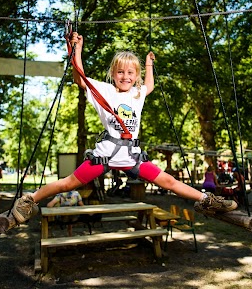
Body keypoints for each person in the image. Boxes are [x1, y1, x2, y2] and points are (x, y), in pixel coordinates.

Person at [12, 32, 238, 223]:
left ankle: (207, 200)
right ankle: (28, 199)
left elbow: (149, 85)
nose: (125, 76)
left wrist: (149, 64)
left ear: (135, 76)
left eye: (130, 73)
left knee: (169, 181)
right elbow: (80, 78)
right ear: (113, 74)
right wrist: (76, 49)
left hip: (132, 157)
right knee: (68, 183)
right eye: (120, 72)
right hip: (105, 156)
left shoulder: (137, 94)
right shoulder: (105, 91)